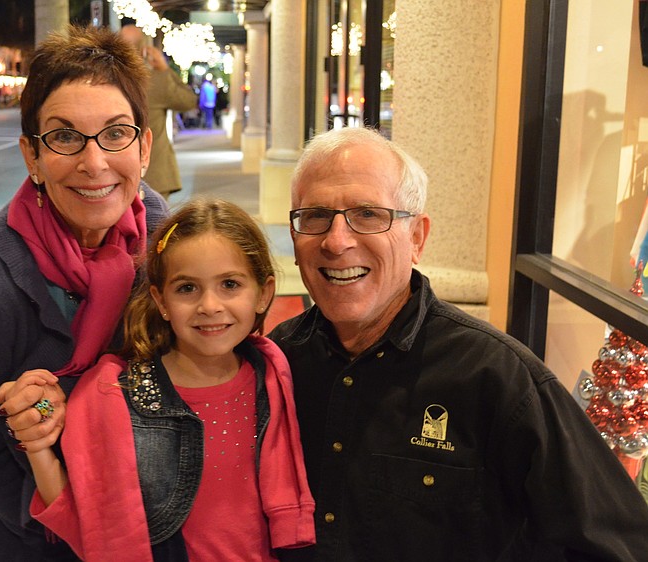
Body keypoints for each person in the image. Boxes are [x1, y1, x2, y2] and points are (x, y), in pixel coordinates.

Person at [268, 126, 648, 561]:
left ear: (417, 239)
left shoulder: (500, 379)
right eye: (315, 215)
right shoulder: (279, 361)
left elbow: (622, 546)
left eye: (369, 214)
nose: (336, 241)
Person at [0, 25, 168, 561]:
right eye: (64, 136)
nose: (94, 162)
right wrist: (69, 531)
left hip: (112, 492)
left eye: (115, 133)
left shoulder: (164, 242)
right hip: (3, 511)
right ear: (32, 155)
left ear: (143, 146)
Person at [1, 199, 315, 561]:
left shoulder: (276, 377)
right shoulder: (114, 393)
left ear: (263, 293)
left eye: (230, 284)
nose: (209, 306)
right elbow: (83, 516)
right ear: (160, 299)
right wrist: (37, 441)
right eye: (187, 288)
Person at [119, 21, 197, 199]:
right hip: (154, 174)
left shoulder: (107, 81)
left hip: (115, 174)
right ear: (144, 50)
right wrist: (164, 69)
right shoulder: (153, 81)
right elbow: (188, 100)